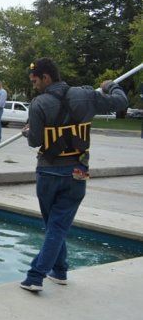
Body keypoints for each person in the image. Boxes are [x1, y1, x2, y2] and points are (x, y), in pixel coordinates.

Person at [19, 58, 127, 292]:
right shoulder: (85, 95)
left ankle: (35, 276)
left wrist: (26, 132)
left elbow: (35, 141)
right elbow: (120, 102)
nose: (34, 84)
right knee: (56, 225)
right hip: (78, 171)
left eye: (35, 80)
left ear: (46, 77)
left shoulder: (38, 104)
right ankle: (59, 271)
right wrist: (111, 86)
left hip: (48, 171)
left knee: (55, 225)